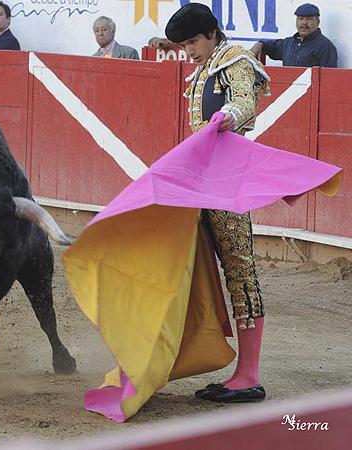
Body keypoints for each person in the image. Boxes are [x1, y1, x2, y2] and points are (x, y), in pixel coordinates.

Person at [164, 2, 270, 403]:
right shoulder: (204, 67)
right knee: (201, 268)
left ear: (211, 32)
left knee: (240, 269)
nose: (189, 49)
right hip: (204, 183)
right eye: (184, 44)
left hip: (228, 183)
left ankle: (249, 376)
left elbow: (245, 100)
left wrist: (227, 116)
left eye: (193, 40)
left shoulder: (233, 59)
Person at [249, 3, 337, 68]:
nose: (304, 23)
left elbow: (329, 80)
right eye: (300, 19)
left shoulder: (326, 47)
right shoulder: (288, 43)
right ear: (296, 21)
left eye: (309, 19)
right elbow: (269, 46)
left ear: (318, 22)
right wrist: (259, 44)